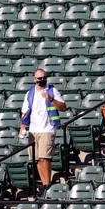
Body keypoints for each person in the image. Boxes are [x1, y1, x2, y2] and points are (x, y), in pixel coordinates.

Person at [19, 68, 67, 197]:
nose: (41, 80)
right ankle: (44, 186)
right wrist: (22, 128)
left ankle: (47, 185)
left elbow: (63, 108)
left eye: (44, 77)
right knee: (38, 160)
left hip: (47, 129)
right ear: (35, 79)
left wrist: (51, 99)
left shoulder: (52, 90)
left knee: (45, 158)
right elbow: (25, 111)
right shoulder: (30, 93)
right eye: (39, 78)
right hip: (33, 131)